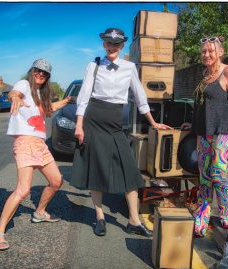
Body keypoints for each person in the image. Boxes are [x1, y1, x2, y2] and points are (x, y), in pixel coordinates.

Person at [71, 28, 171, 237]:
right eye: (109, 43)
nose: (112, 47)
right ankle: (99, 217)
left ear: (122, 46)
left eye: (116, 44)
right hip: (94, 121)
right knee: (96, 169)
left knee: (129, 171)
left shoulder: (129, 67)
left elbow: (140, 96)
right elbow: (84, 96)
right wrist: (79, 125)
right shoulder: (94, 65)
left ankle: (133, 221)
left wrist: (153, 123)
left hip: (116, 123)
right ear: (104, 44)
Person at [0, 59, 70, 251]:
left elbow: (49, 108)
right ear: (32, 70)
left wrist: (68, 101)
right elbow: (14, 93)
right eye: (38, 70)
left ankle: (40, 212)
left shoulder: (39, 95)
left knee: (56, 180)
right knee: (23, 190)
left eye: (44, 73)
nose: (40, 74)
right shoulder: (24, 85)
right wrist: (15, 97)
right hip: (25, 142)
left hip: (40, 144)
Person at [181, 36, 228, 237]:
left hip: (223, 132)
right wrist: (194, 124)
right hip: (204, 133)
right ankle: (203, 214)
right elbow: (204, 106)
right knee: (204, 177)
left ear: (221, 52)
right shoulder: (205, 74)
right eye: (203, 52)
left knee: (218, 173)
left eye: (211, 51)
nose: (206, 54)